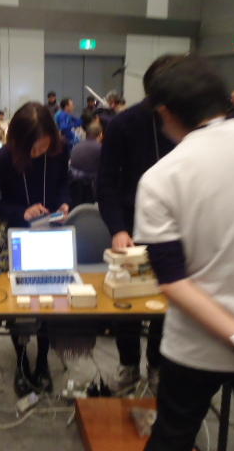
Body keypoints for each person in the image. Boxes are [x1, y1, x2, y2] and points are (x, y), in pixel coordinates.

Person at [136, 56, 234, 451]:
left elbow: (173, 281)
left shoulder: (162, 177)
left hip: (196, 345)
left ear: (165, 112)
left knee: (173, 436)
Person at [97, 55, 181, 394]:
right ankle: (129, 364)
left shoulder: (189, 123)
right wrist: (118, 228)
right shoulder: (123, 125)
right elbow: (106, 183)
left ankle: (157, 365)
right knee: (127, 302)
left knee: (168, 299)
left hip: (176, 225)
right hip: (130, 224)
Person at [0, 102, 70, 397]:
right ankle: (21, 361)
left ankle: (43, 360)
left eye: (43, 146)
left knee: (50, 297)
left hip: (51, 229)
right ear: (18, 141)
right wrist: (22, 212)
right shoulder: (3, 158)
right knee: (19, 299)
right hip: (16, 231)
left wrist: (64, 202)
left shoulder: (59, 151)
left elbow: (64, 183)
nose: (39, 152)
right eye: (33, 148)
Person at [69, 121, 102, 206]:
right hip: (91, 191)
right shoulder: (100, 148)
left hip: (73, 189)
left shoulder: (76, 146)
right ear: (100, 135)